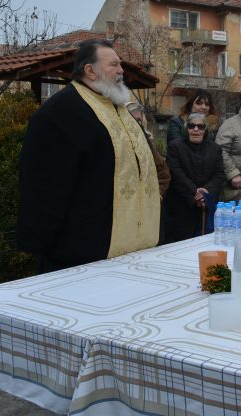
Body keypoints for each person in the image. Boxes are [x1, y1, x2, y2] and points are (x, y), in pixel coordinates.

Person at [17, 39, 160, 272]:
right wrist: (44, 244)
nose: (121, 71)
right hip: (81, 254)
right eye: (113, 65)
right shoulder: (58, 113)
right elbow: (43, 188)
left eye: (120, 64)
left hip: (133, 251)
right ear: (90, 71)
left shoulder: (120, 108)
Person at [165, 113, 226, 242]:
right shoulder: (175, 147)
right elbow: (176, 173)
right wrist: (195, 192)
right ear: (186, 129)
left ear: (205, 129)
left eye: (200, 126)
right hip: (182, 206)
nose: (196, 129)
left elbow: (219, 174)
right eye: (191, 126)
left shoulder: (215, 149)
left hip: (207, 204)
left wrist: (206, 192)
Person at [127, 101, 170, 199]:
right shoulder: (116, 141)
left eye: (139, 120)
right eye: (132, 119)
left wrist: (157, 193)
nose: (136, 123)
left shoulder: (147, 142)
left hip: (145, 200)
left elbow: (163, 173)